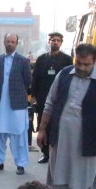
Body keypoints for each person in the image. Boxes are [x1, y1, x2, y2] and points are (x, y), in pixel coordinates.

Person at [36, 44, 96, 189]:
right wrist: (42, 130)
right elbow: (50, 104)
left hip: (88, 144)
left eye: (86, 64)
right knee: (58, 182)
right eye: (78, 63)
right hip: (61, 141)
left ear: (95, 61)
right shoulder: (64, 74)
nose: (81, 67)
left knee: (85, 183)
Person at [0, 34, 32, 175]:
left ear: (17, 44)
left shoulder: (23, 61)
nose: (10, 44)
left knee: (18, 135)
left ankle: (20, 164)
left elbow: (28, 81)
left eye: (13, 42)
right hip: (1, 103)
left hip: (17, 104)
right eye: (8, 41)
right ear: (4, 42)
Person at [31, 32, 73, 164]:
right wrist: (33, 96)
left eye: (58, 40)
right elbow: (35, 79)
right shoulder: (42, 59)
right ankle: (46, 153)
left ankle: (59, 153)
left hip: (61, 98)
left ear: (61, 43)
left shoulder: (67, 60)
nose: (55, 42)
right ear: (48, 42)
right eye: (53, 40)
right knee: (44, 126)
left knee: (60, 125)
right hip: (44, 98)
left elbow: (70, 79)